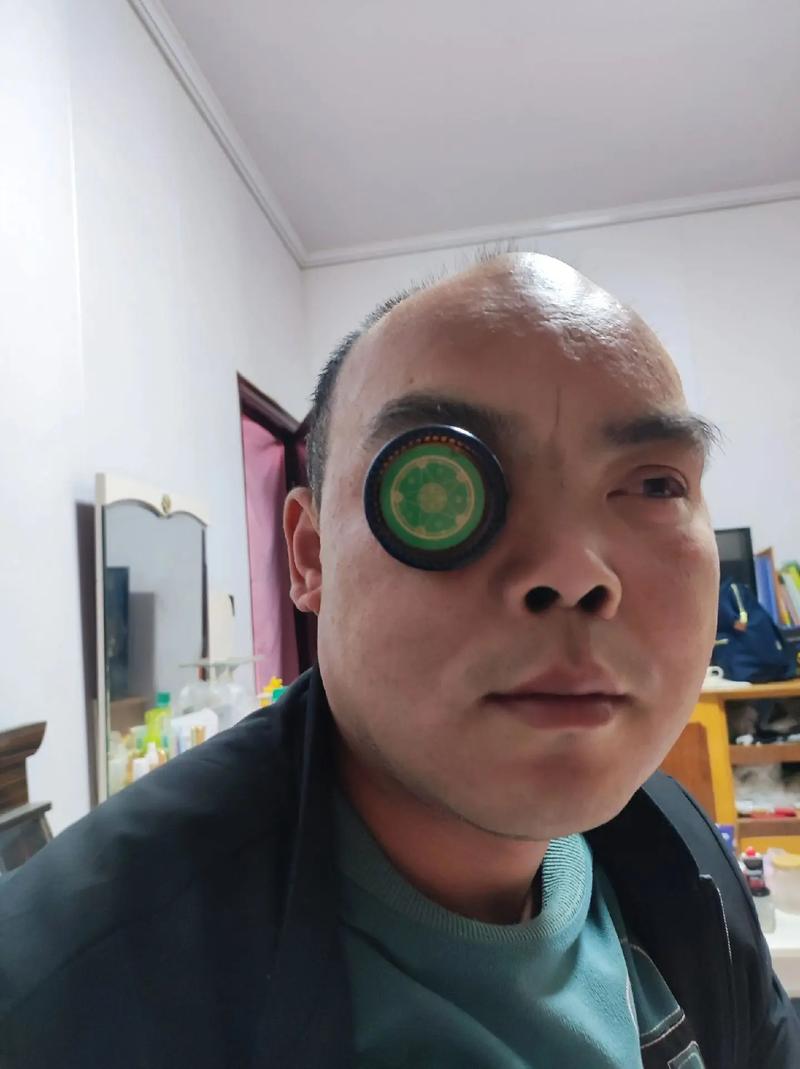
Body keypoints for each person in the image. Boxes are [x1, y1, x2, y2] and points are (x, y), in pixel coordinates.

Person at [0, 254, 797, 1068]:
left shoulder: (685, 852)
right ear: (310, 554)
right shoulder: (59, 1001)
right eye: (442, 478)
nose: (573, 571)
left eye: (655, 485)